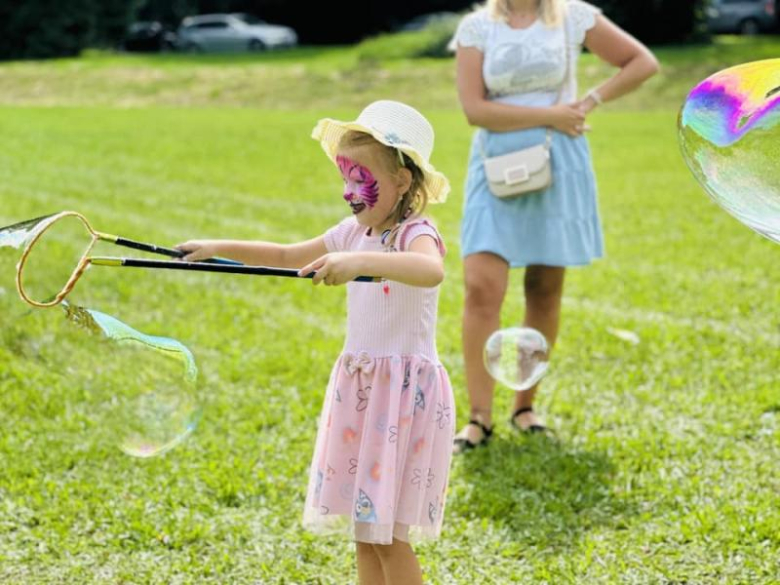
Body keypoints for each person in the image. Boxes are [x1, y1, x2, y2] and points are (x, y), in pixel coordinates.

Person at [176, 100, 453, 585]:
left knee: (390, 536)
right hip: (365, 394)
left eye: (361, 178)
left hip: (402, 399)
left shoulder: (415, 232)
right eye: (345, 178)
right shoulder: (353, 231)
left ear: (403, 181)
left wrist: (360, 263)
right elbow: (286, 254)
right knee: (366, 530)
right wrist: (217, 247)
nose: (349, 192)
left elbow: (431, 272)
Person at [450, 0, 659, 451]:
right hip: (493, 166)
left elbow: (643, 62)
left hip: (557, 163)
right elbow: (474, 110)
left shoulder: (573, 16)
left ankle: (524, 407)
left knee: (544, 288)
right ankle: (478, 417)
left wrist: (589, 101)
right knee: (481, 286)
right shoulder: (476, 28)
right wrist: (551, 114)